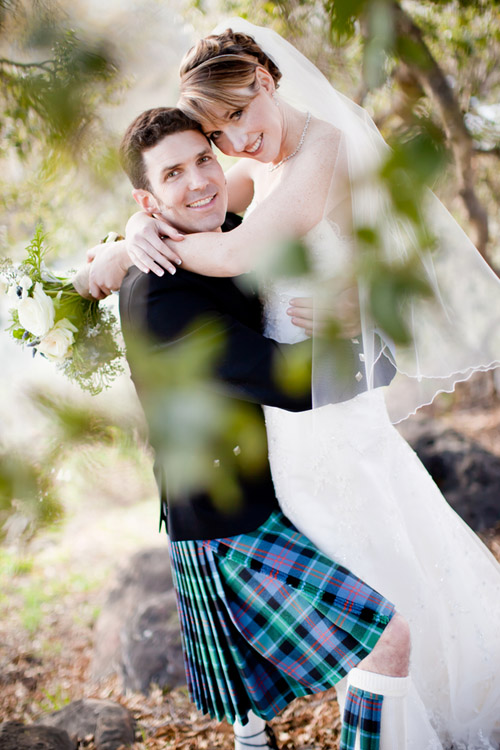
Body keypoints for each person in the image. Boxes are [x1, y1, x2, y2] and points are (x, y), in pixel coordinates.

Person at [88, 22, 500, 750]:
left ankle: (398, 727)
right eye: (219, 131)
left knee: (397, 606)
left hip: (330, 416)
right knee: (384, 615)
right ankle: (295, 728)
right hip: (283, 440)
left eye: (239, 115)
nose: (234, 144)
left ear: (269, 81)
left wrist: (367, 320)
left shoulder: (322, 150)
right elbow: (207, 217)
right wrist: (127, 239)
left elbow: (240, 246)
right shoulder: (250, 176)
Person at [116, 106, 413, 750]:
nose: (199, 181)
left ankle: (253, 732)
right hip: (227, 521)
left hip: (280, 481)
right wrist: (376, 340)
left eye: (203, 159)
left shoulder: (223, 234)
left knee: (256, 698)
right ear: (149, 196)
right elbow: (287, 380)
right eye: (173, 174)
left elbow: (269, 217)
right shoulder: (159, 299)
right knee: (386, 639)